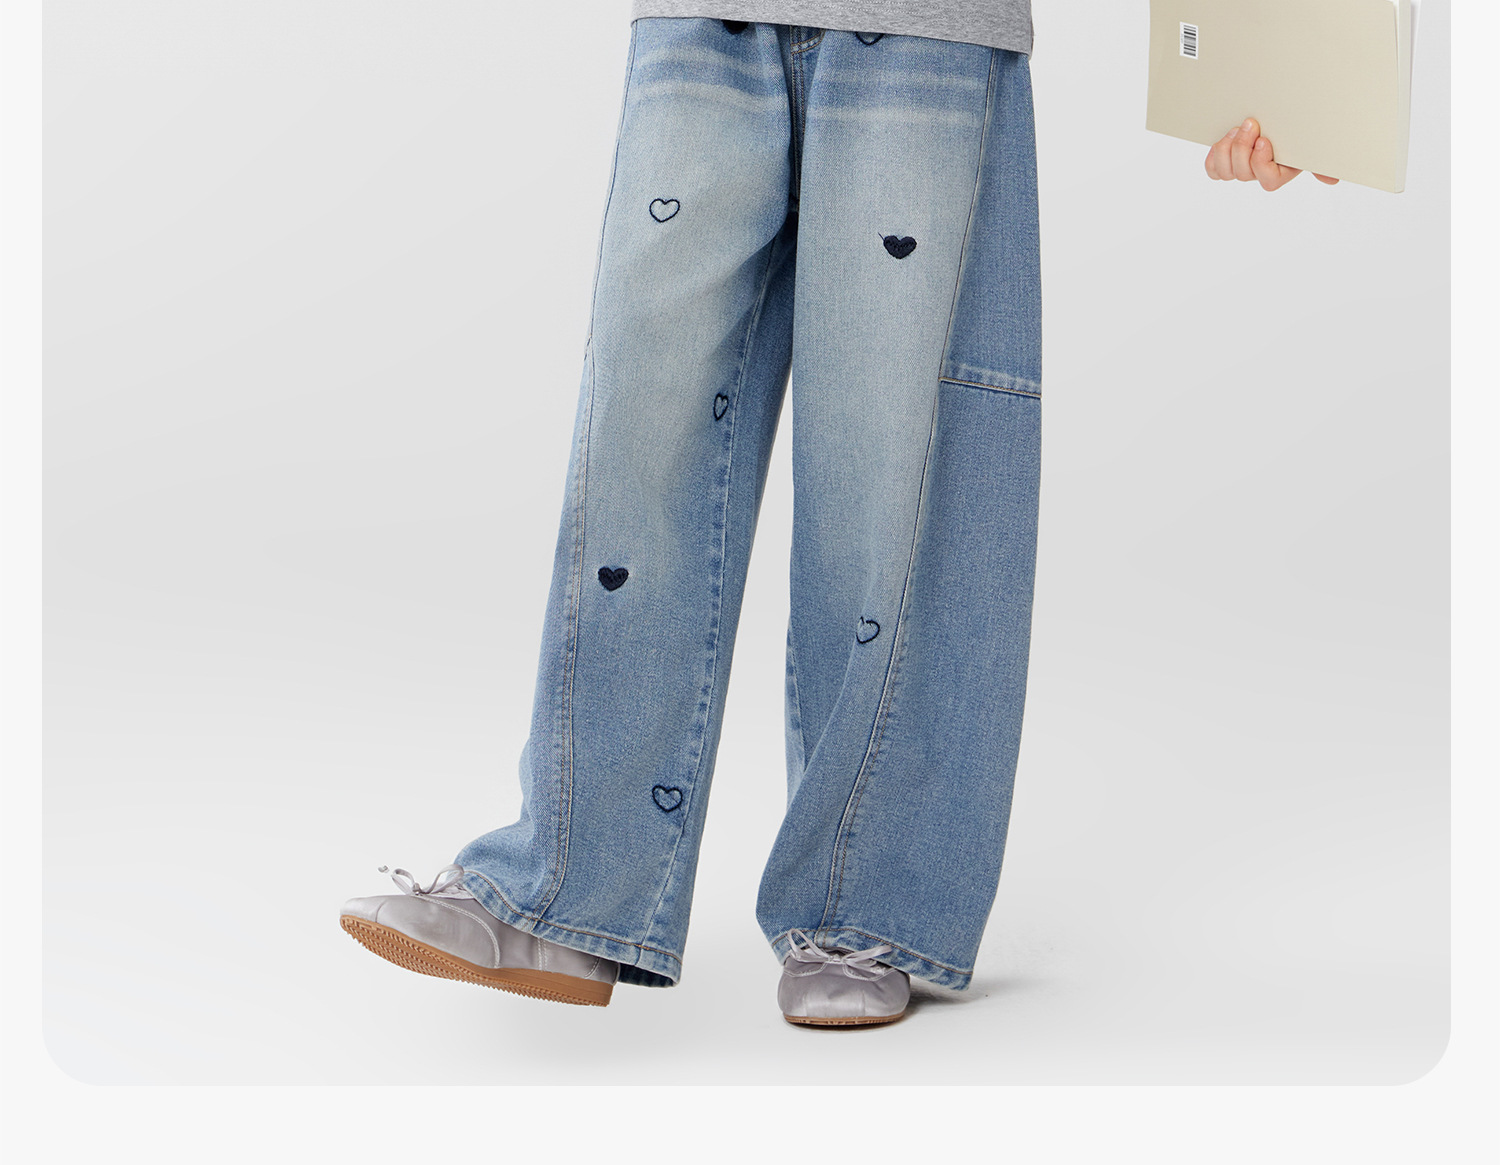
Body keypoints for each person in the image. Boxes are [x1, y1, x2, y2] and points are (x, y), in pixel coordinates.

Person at [338, 4, 1335, 1028]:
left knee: (897, 462)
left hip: (926, 26)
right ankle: (564, 888)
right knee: (640, 427)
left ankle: (868, 908)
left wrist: (1286, 65)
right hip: (697, 17)